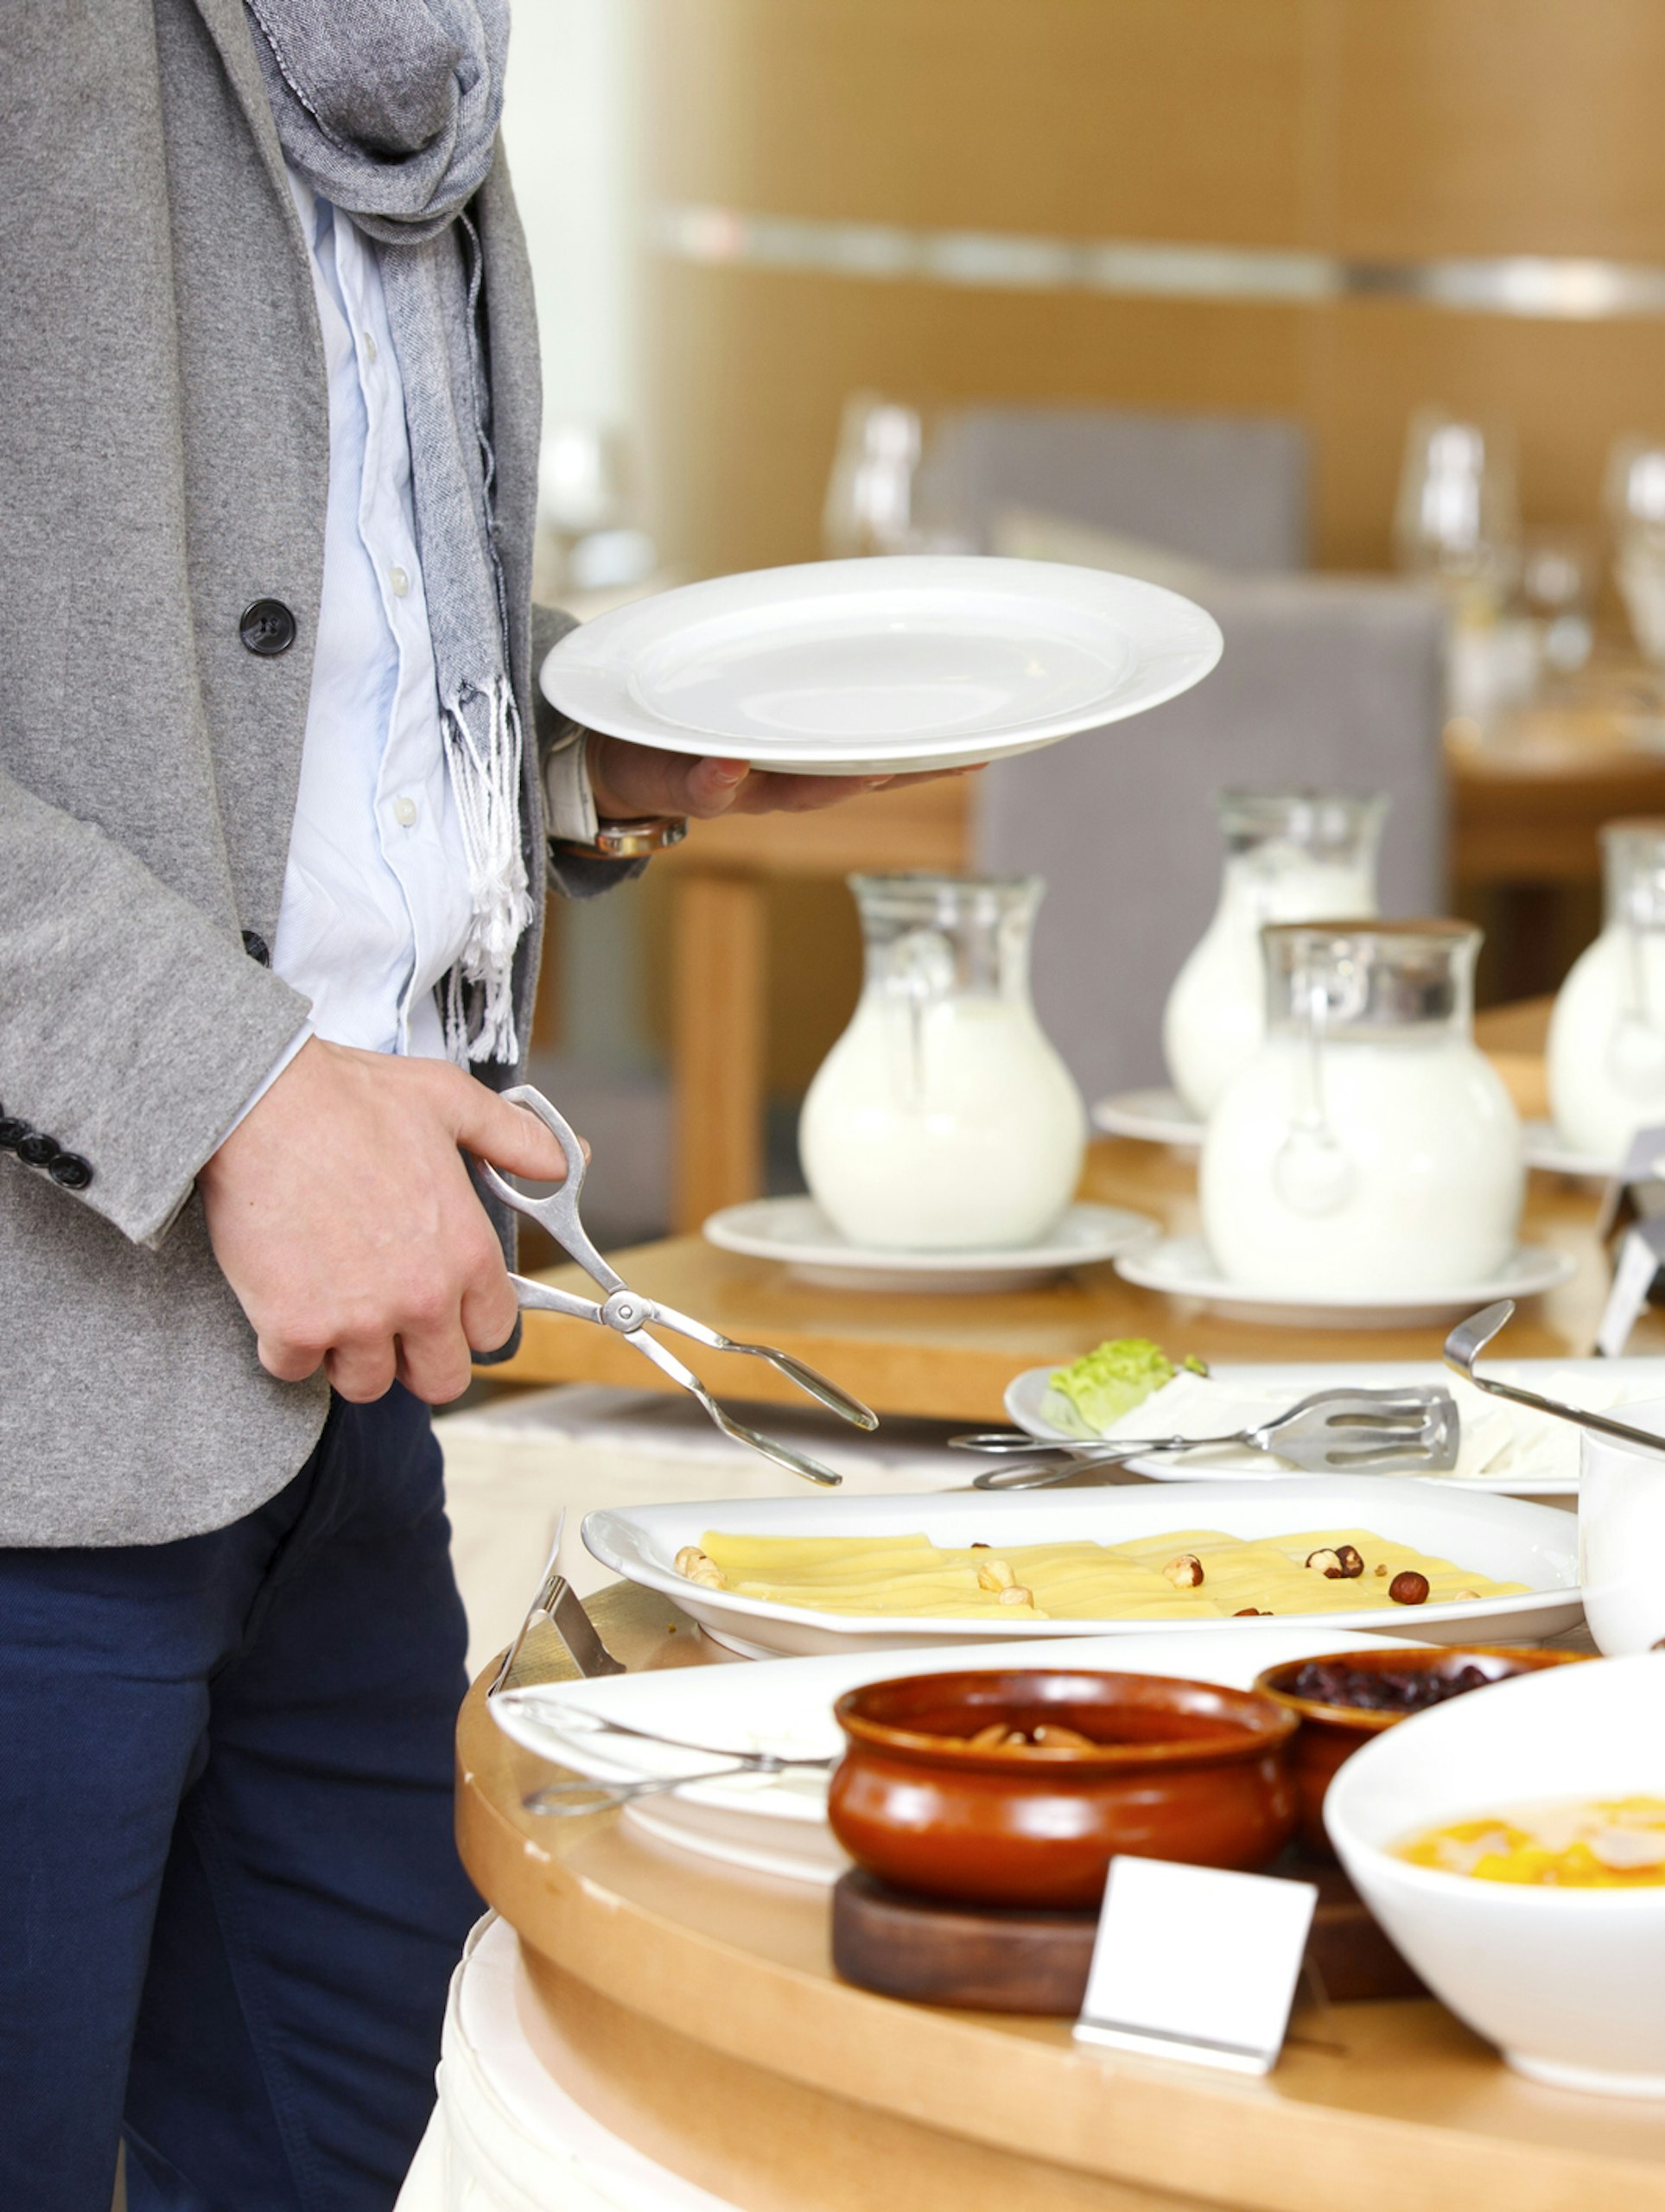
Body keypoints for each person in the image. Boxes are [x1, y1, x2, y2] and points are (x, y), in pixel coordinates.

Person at [1, 8, 899, 2204]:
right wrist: (233, 1094)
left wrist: (583, 742)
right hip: (38, 1412)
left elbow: (252, 660)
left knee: (410, 2157)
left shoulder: (407, 50)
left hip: (332, 1403)